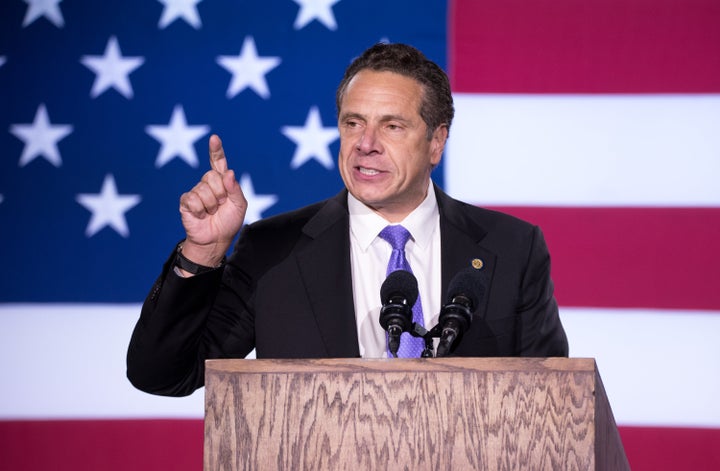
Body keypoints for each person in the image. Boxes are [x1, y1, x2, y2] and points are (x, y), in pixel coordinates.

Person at [127, 43, 568, 397]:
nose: (366, 144)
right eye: (353, 123)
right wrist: (201, 254)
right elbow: (164, 375)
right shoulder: (272, 250)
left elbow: (549, 401)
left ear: (436, 142)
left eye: (392, 126)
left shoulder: (511, 248)